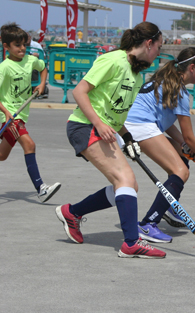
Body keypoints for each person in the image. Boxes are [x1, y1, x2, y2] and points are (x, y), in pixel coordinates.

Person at [55, 22, 166, 258]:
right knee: (124, 178)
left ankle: (72, 213)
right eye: (159, 47)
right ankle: (131, 243)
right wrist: (98, 123)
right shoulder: (114, 60)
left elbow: (116, 112)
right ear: (148, 44)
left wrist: (127, 136)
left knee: (128, 186)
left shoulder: (136, 75)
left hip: (103, 129)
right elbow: (79, 91)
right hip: (84, 126)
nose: (159, 53)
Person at [124, 47, 195, 242]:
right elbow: (190, 138)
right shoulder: (180, 92)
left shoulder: (168, 81)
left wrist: (185, 147)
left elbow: (166, 122)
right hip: (138, 126)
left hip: (138, 124)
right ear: (191, 68)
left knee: (182, 155)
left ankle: (169, 206)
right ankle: (148, 224)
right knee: (181, 171)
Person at [0, 23, 60, 203]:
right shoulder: (4, 68)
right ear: (6, 47)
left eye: (24, 44)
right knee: (30, 145)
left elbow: (43, 68)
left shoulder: (30, 60)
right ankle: (41, 188)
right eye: (17, 45)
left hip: (21, 115)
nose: (22, 48)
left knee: (2, 156)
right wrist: (6, 112)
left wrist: (42, 84)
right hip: (10, 117)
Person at [27, 33, 49, 99]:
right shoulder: (22, 45)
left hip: (35, 64)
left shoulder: (36, 45)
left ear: (30, 37)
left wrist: (37, 55)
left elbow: (44, 55)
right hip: (25, 64)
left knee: (35, 71)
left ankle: (42, 90)